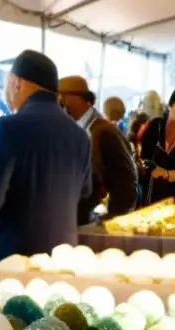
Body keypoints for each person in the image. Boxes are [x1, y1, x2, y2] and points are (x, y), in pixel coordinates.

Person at [0, 49, 90, 268]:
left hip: (14, 261)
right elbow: (85, 193)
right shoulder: (80, 135)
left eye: (5, 85)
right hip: (62, 258)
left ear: (16, 83)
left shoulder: (8, 128)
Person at [58, 75, 137, 222]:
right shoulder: (91, 127)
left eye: (62, 98)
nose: (59, 104)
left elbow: (100, 179)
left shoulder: (98, 131)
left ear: (77, 98)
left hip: (107, 216)